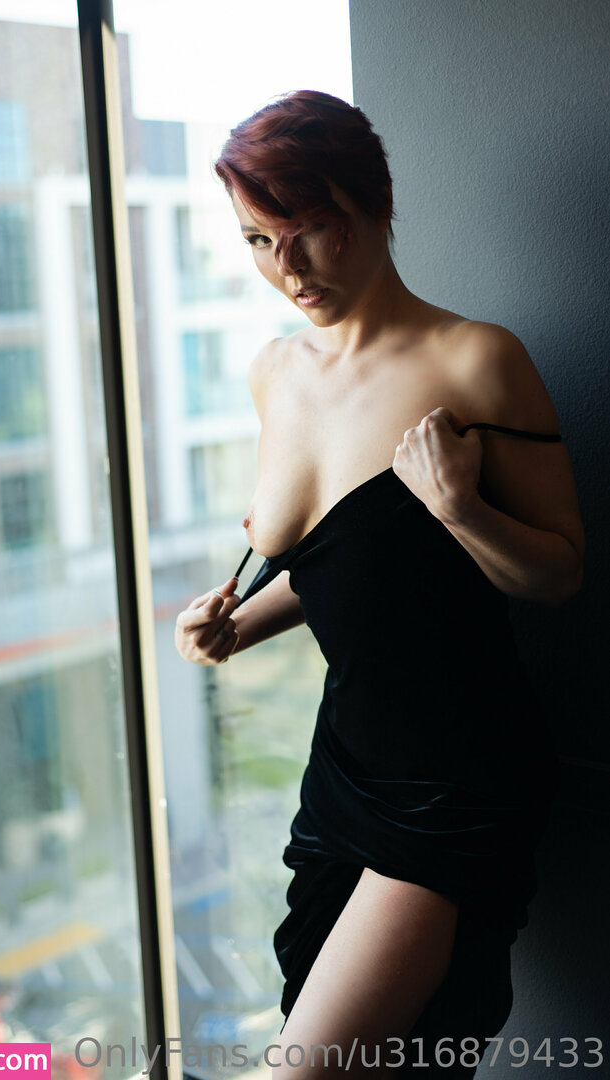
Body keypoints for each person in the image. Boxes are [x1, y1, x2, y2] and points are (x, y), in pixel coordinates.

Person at [174, 90, 584, 1078]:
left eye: (311, 231)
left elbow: (559, 573)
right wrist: (238, 625)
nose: (288, 269)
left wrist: (460, 510)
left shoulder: (475, 359)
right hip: (342, 772)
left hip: (456, 777)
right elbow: (347, 571)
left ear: (372, 206)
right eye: (258, 241)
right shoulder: (274, 373)